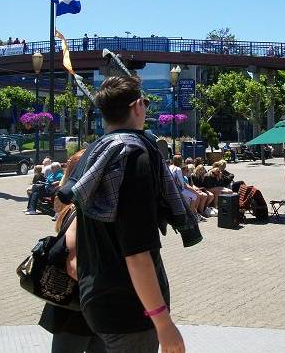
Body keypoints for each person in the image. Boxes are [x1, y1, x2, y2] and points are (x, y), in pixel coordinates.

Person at [57, 75, 190, 352]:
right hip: (130, 309)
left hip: (96, 300)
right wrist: (163, 323)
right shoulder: (133, 156)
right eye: (145, 101)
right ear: (137, 106)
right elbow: (137, 253)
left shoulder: (95, 152)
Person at [38, 150, 104, 353]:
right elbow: (73, 263)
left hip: (78, 305)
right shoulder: (80, 212)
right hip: (80, 305)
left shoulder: (76, 208)